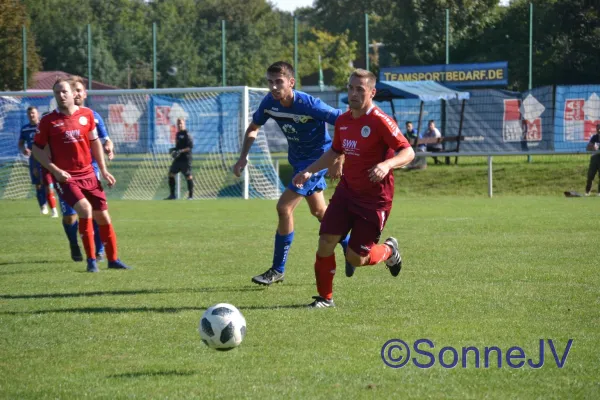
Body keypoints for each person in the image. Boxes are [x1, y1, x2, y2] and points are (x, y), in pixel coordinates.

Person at [292, 69, 415, 308]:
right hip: (347, 193)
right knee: (326, 241)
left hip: (374, 200)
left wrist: (386, 164)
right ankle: (325, 299)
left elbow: (408, 151)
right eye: (351, 88)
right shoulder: (343, 120)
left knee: (356, 258)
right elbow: (335, 151)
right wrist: (310, 170)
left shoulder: (380, 120)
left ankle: (389, 251)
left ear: (372, 92)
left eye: (360, 89)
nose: (354, 93)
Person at [233, 61, 350, 285]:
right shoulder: (269, 103)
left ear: (291, 82)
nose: (274, 87)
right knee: (320, 212)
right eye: (270, 82)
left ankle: (277, 270)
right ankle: (351, 247)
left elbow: (343, 122)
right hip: (298, 162)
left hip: (316, 161)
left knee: (283, 207)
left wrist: (339, 157)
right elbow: (253, 128)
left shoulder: (309, 104)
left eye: (279, 82)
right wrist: (242, 157)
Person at [32, 78, 131, 273]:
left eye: (64, 92)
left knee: (102, 216)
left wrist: (103, 170)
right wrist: (55, 170)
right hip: (66, 177)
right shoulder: (48, 121)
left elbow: (95, 143)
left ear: (73, 94)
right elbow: (37, 149)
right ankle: (91, 260)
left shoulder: (87, 115)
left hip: (89, 174)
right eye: (57, 93)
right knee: (84, 209)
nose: (61, 96)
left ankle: (113, 259)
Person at [54, 76, 116, 262]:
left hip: (91, 169)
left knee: (94, 211)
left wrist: (109, 146)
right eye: (75, 91)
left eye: (80, 90)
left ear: (84, 93)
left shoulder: (92, 116)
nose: (78, 94)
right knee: (69, 216)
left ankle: (98, 251)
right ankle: (74, 243)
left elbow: (104, 138)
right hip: (67, 174)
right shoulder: (54, 119)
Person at [18, 106, 58, 217]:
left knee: (48, 184)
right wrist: (23, 149)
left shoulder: (43, 126)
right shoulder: (25, 129)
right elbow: (21, 143)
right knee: (38, 185)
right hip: (34, 159)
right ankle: (43, 206)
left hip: (46, 159)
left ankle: (54, 208)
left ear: (38, 114)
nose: (31, 115)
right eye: (29, 113)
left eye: (33, 113)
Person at [166, 118, 194, 200]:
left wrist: (181, 151)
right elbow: (178, 147)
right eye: (178, 124)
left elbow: (190, 147)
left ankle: (190, 196)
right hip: (178, 159)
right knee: (171, 174)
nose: (179, 125)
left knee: (188, 176)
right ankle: (172, 195)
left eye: (181, 123)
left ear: (184, 123)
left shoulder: (187, 134)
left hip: (186, 159)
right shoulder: (178, 134)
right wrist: (174, 149)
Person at [585, 123, 600, 196]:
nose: (598, 130)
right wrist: (592, 147)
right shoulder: (594, 137)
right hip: (594, 158)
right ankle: (587, 192)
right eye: (597, 129)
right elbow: (587, 148)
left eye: (599, 128)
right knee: (590, 175)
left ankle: (599, 192)